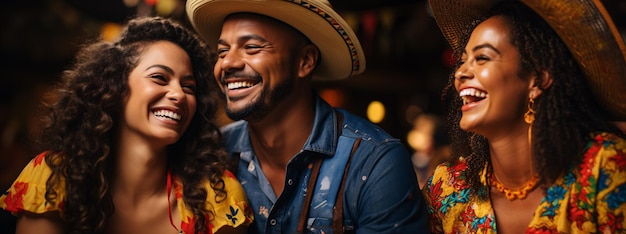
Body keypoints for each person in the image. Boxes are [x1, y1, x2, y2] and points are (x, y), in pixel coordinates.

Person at [186, 0, 430, 233]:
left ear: (305, 61)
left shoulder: (374, 162)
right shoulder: (211, 155)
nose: (226, 63)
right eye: (222, 51)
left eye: (251, 47)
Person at [0, 16, 253, 234]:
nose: (178, 94)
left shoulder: (216, 196)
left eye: (189, 87)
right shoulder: (55, 178)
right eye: (159, 77)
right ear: (115, 88)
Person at [424, 0, 626, 233]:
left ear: (537, 79)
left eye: (482, 58)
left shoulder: (603, 167)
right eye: (462, 61)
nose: (460, 73)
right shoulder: (449, 189)